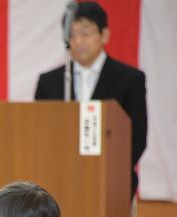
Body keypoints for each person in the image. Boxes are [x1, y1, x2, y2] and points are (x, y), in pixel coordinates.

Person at [35, 1, 147, 197]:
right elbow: (40, 133)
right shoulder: (49, 82)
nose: (78, 41)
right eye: (72, 34)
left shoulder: (130, 79)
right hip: (59, 174)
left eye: (85, 33)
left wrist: (108, 168)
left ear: (104, 34)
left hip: (111, 175)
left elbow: (137, 136)